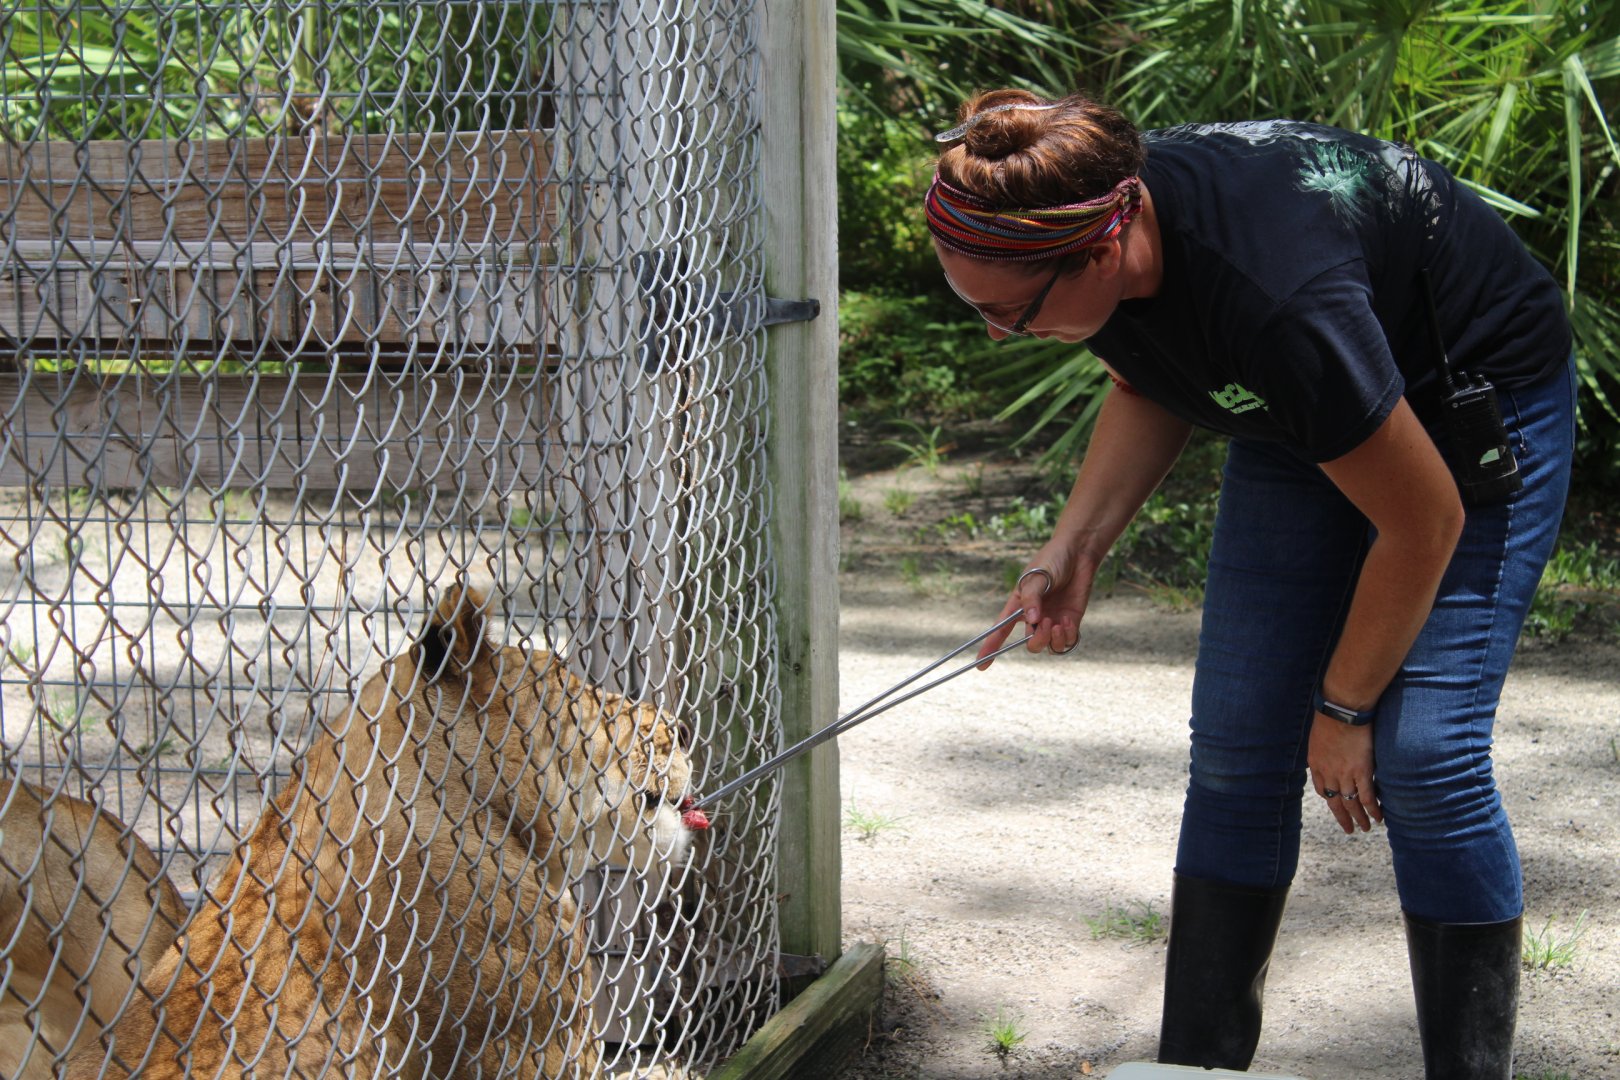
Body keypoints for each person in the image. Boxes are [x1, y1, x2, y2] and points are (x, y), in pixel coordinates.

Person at [932, 90, 1576, 1079]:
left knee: (1425, 759)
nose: (995, 334)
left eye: (1008, 315)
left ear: (1104, 252)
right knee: (1236, 743)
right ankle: (1194, 1066)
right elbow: (1149, 373)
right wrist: (1074, 549)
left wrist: (1343, 705)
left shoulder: (1271, 292)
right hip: (1309, 413)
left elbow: (1423, 519)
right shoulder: (1101, 224)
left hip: (1468, 416)